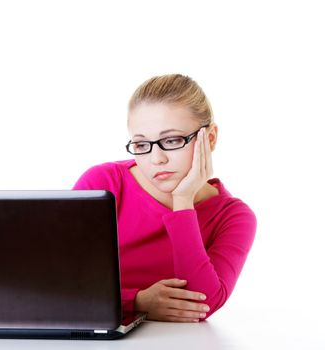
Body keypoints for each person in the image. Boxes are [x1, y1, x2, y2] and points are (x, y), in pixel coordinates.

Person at [72, 74, 256, 322]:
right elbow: (59, 282)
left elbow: (203, 303)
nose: (156, 159)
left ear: (210, 138)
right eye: (141, 145)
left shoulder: (233, 216)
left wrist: (183, 201)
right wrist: (136, 301)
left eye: (172, 141)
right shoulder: (103, 184)